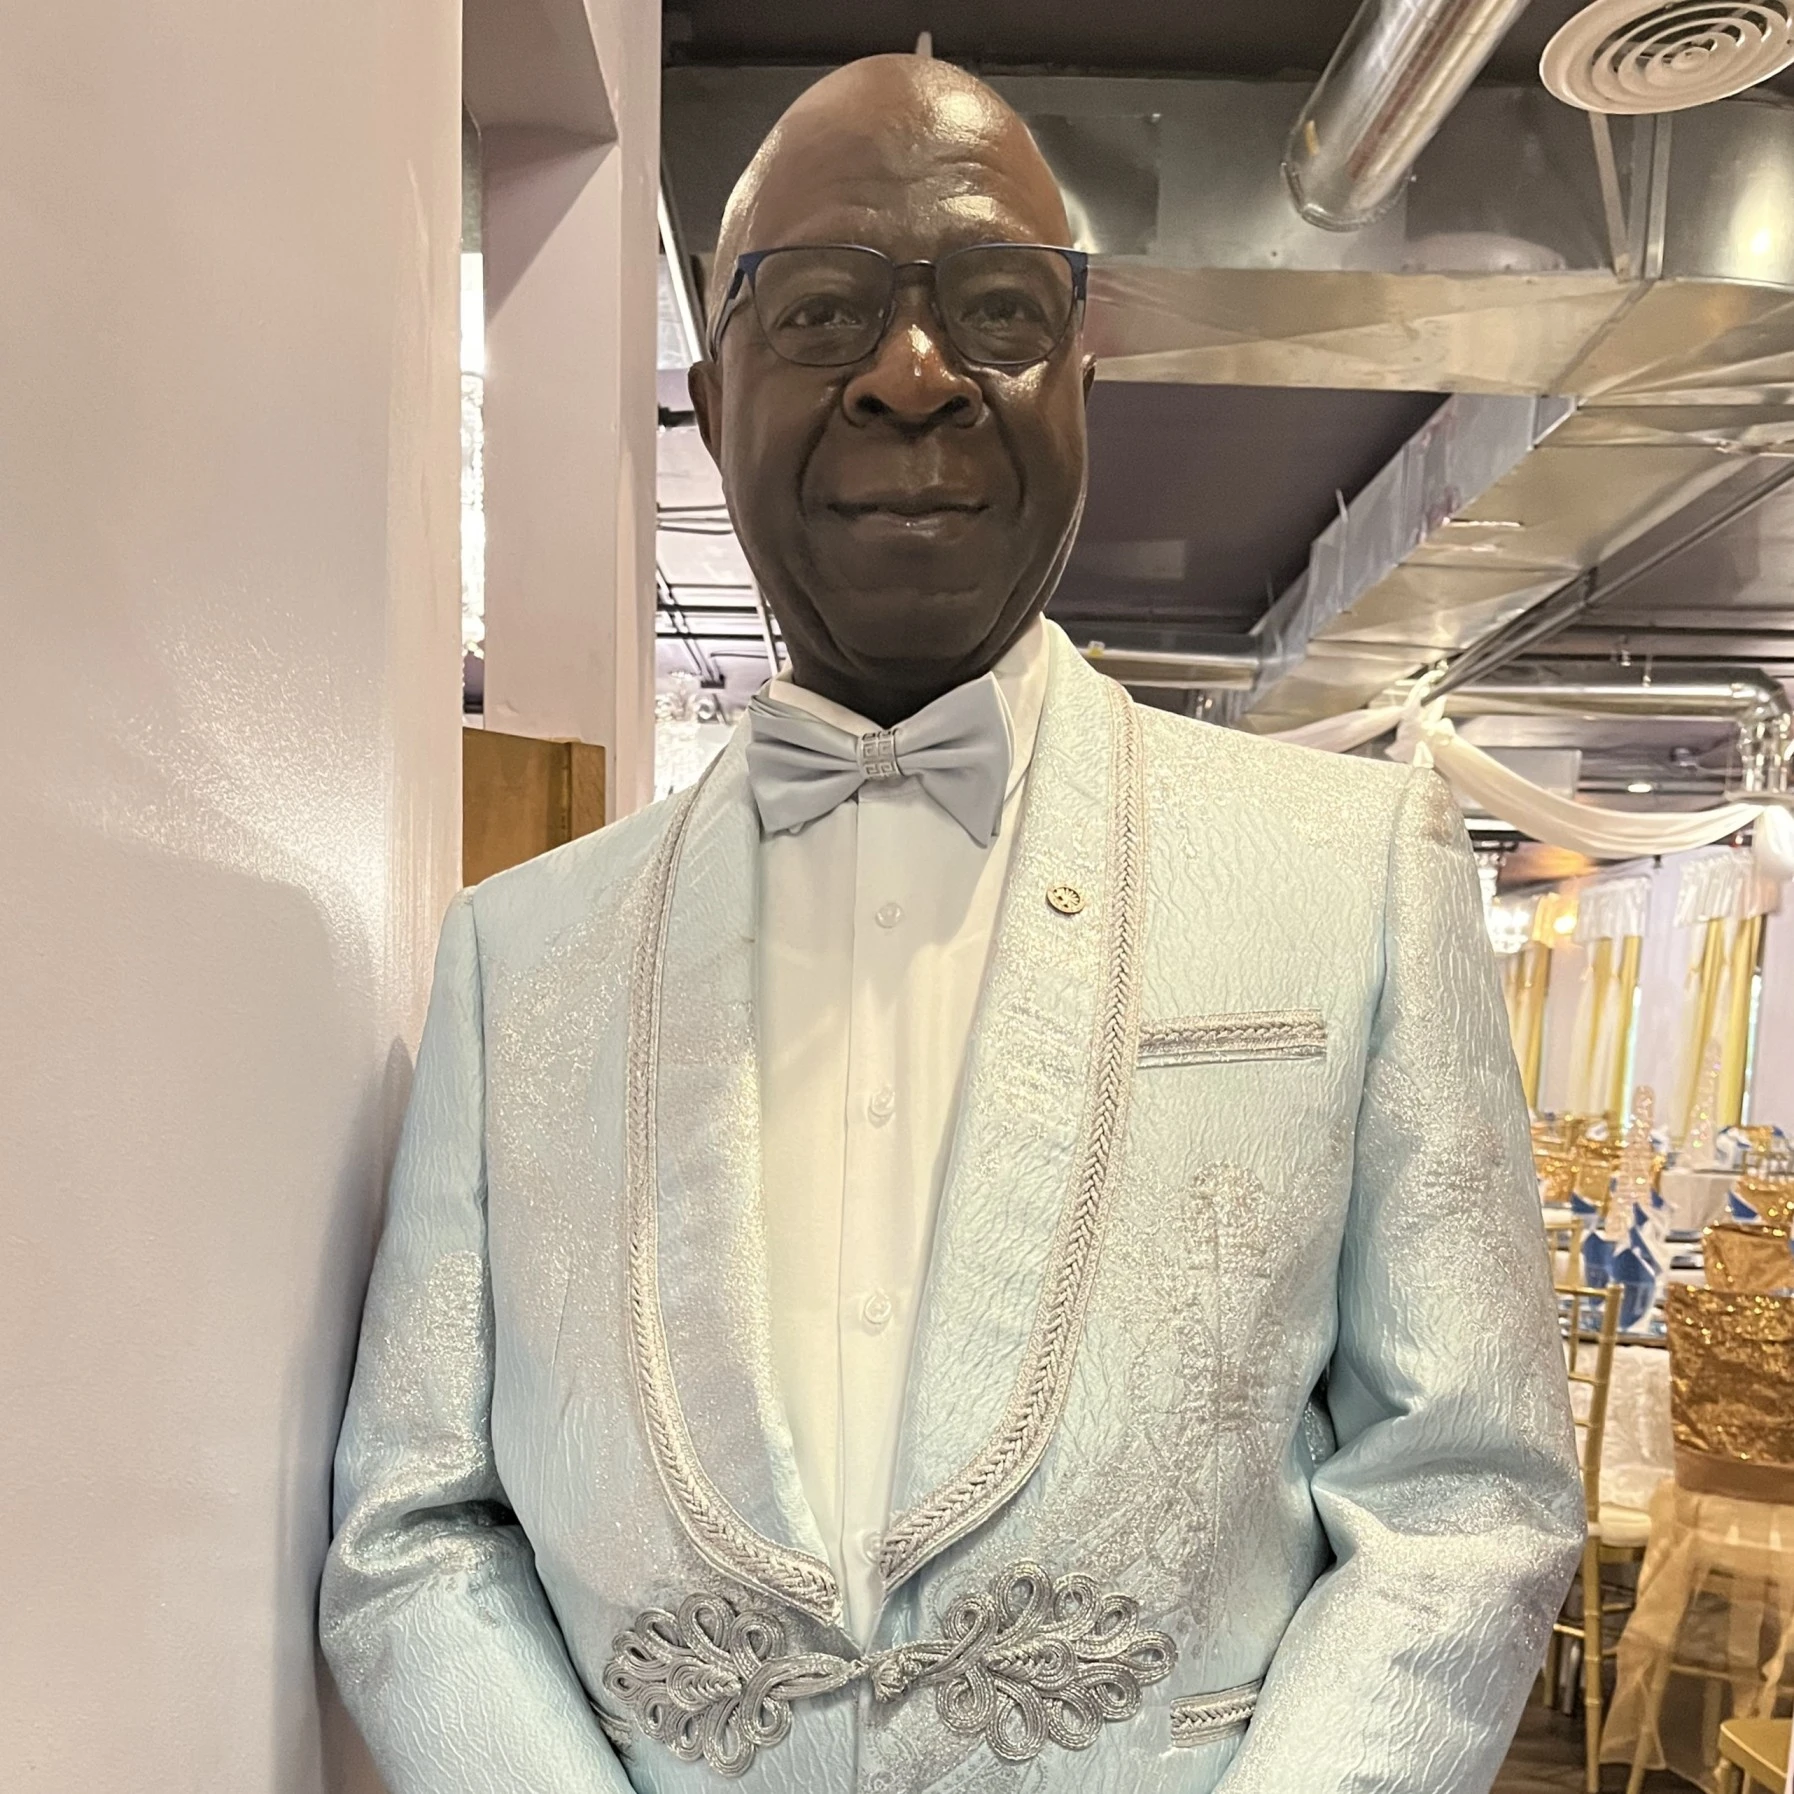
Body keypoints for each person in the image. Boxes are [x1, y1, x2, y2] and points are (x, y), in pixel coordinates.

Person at [322, 54, 1582, 1794]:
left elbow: (1462, 1496)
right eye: (821, 309)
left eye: (995, 309)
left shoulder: (1350, 873)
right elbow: (416, 1528)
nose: (911, 373)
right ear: (712, 391)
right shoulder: (516, 960)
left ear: (1083, 381)